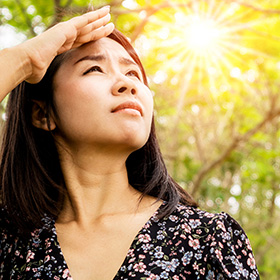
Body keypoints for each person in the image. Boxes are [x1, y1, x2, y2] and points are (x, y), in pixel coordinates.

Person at [0, 5, 260, 280]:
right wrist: (22, 61)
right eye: (95, 69)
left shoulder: (208, 240)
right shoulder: (11, 242)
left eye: (133, 73)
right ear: (43, 113)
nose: (127, 84)